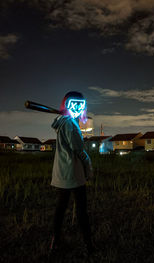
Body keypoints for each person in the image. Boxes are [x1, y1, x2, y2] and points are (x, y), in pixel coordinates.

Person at [50, 91, 94, 255]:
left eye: (80, 104)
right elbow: (79, 151)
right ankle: (88, 244)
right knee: (81, 210)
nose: (77, 107)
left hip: (62, 173)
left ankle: (55, 242)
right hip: (74, 174)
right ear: (67, 104)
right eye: (74, 103)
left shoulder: (63, 122)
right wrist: (89, 168)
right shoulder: (70, 125)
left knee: (60, 208)